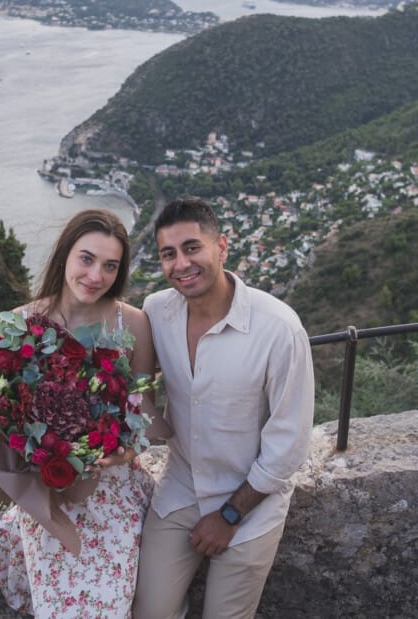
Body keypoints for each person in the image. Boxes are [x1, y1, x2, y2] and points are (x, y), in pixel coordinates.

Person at [133, 196, 314, 619]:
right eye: (168, 254)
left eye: (192, 248)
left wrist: (229, 515)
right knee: (148, 613)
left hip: (250, 501)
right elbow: (111, 346)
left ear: (222, 247)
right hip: (181, 487)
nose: (181, 264)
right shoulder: (156, 312)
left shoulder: (278, 329)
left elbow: (288, 446)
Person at [0, 208, 162, 618]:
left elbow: (147, 417)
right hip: (45, 492)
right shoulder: (17, 324)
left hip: (114, 488)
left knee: (108, 603)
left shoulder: (134, 323)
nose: (95, 276)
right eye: (86, 259)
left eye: (110, 266)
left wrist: (122, 452)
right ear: (65, 254)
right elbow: (2, 419)